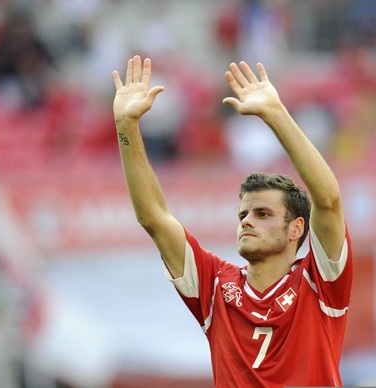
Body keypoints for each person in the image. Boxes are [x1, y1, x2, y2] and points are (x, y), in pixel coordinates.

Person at [112, 55, 352, 387]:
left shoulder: (319, 282)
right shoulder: (214, 286)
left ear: (297, 228)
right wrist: (126, 127)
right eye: (243, 214)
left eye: (263, 213)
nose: (247, 222)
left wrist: (275, 114)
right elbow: (153, 217)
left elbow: (328, 200)